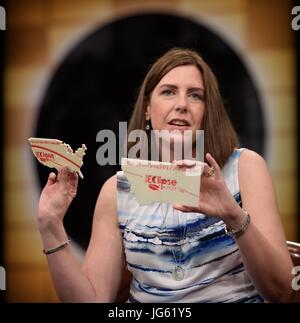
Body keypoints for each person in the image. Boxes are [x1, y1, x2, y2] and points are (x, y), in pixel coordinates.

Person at [37, 48, 293, 303]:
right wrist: (51, 226)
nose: (181, 105)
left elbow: (281, 290)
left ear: (207, 111)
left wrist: (234, 217)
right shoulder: (117, 190)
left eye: (195, 96)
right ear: (148, 108)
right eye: (169, 92)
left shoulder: (245, 167)